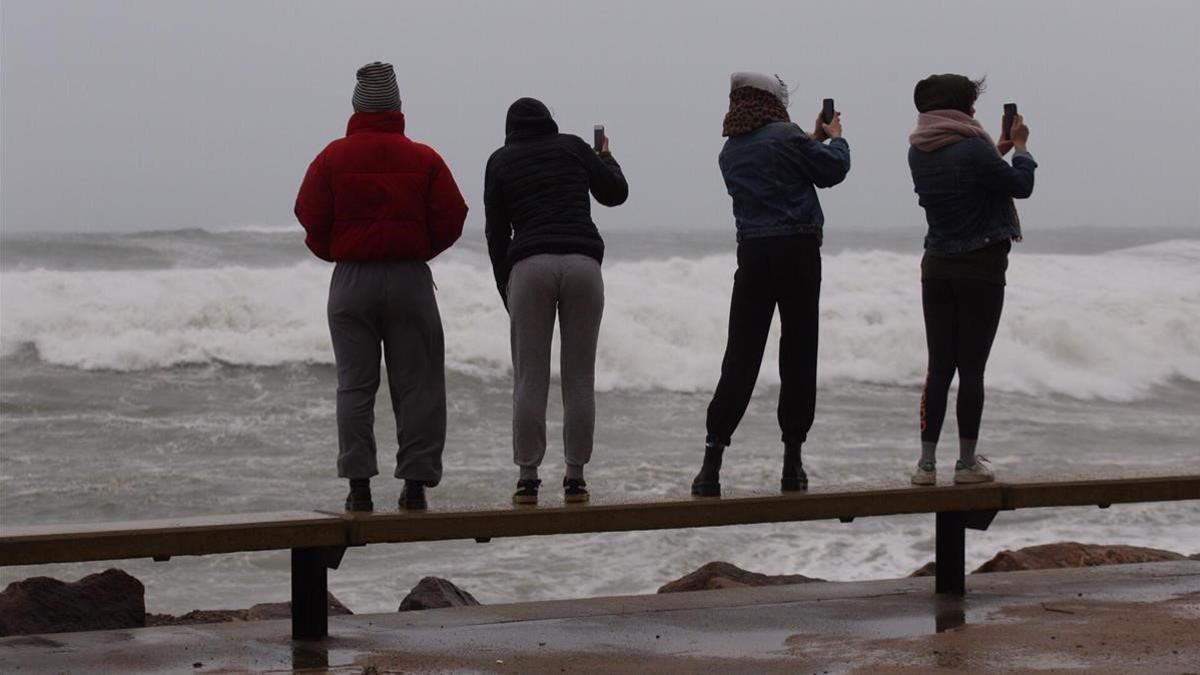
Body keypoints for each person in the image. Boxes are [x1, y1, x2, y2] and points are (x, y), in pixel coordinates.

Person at [294, 62, 468, 512]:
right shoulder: (424, 158)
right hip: (409, 278)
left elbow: (308, 214)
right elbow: (453, 215)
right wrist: (420, 249)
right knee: (419, 385)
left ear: (356, 108)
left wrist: (335, 250)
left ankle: (359, 488)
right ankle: (414, 487)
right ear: (397, 107)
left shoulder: (331, 157)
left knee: (355, 386)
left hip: (351, 279)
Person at [691, 73, 850, 497]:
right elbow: (832, 170)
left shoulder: (729, 153)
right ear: (772, 100)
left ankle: (711, 465)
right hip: (798, 253)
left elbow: (782, 161)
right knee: (798, 354)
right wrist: (834, 138)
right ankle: (792, 464)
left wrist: (808, 140)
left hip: (753, 257)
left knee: (741, 358)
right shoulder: (788, 136)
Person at [484, 97, 628, 505]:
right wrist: (608, 158)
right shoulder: (574, 146)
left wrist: (504, 286)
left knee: (530, 377)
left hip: (529, 267)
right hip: (583, 264)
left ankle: (527, 479)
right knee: (579, 377)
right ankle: (575, 478)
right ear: (550, 122)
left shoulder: (500, 160)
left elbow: (496, 233)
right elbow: (615, 194)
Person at [906, 73, 1036, 486]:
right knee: (972, 370)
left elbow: (968, 172)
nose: (975, 111)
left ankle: (926, 465)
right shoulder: (973, 150)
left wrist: (992, 149)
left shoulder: (919, 150)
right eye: (970, 104)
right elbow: (1020, 185)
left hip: (937, 266)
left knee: (939, 368)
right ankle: (965, 464)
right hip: (980, 268)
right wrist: (1021, 148)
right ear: (959, 108)